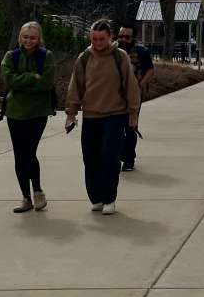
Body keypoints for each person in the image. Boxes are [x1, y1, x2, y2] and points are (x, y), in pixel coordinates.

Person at [64, 19, 141, 215]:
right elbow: (75, 86)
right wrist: (71, 113)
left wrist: (133, 113)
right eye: (94, 39)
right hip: (91, 115)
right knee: (91, 159)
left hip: (115, 114)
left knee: (109, 157)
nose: (98, 43)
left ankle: (109, 198)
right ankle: (96, 197)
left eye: (101, 39)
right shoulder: (84, 58)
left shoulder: (119, 56)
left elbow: (131, 84)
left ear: (110, 37)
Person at [0, 21, 56, 214]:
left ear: (39, 39)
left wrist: (22, 81)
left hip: (38, 112)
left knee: (30, 153)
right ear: (19, 38)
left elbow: (47, 83)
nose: (28, 40)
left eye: (32, 37)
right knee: (19, 154)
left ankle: (37, 191)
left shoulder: (46, 56)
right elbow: (9, 81)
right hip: (15, 112)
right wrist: (32, 77)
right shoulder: (11, 56)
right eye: (25, 37)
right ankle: (26, 197)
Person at [116, 25, 154, 172]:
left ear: (133, 38)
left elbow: (150, 70)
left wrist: (139, 85)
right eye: (121, 36)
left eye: (127, 37)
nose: (123, 39)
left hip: (134, 96)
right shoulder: (112, 51)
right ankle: (120, 154)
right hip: (114, 96)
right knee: (115, 127)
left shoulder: (141, 51)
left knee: (131, 127)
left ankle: (129, 159)